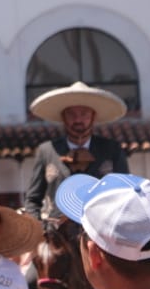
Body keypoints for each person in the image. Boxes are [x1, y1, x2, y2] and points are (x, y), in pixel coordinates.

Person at [23, 81, 130, 224]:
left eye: (84, 114)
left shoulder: (112, 150)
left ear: (93, 117)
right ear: (63, 117)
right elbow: (32, 199)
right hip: (55, 236)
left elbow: (125, 194)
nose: (78, 120)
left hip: (101, 233)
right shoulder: (47, 151)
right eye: (71, 114)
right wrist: (38, 228)